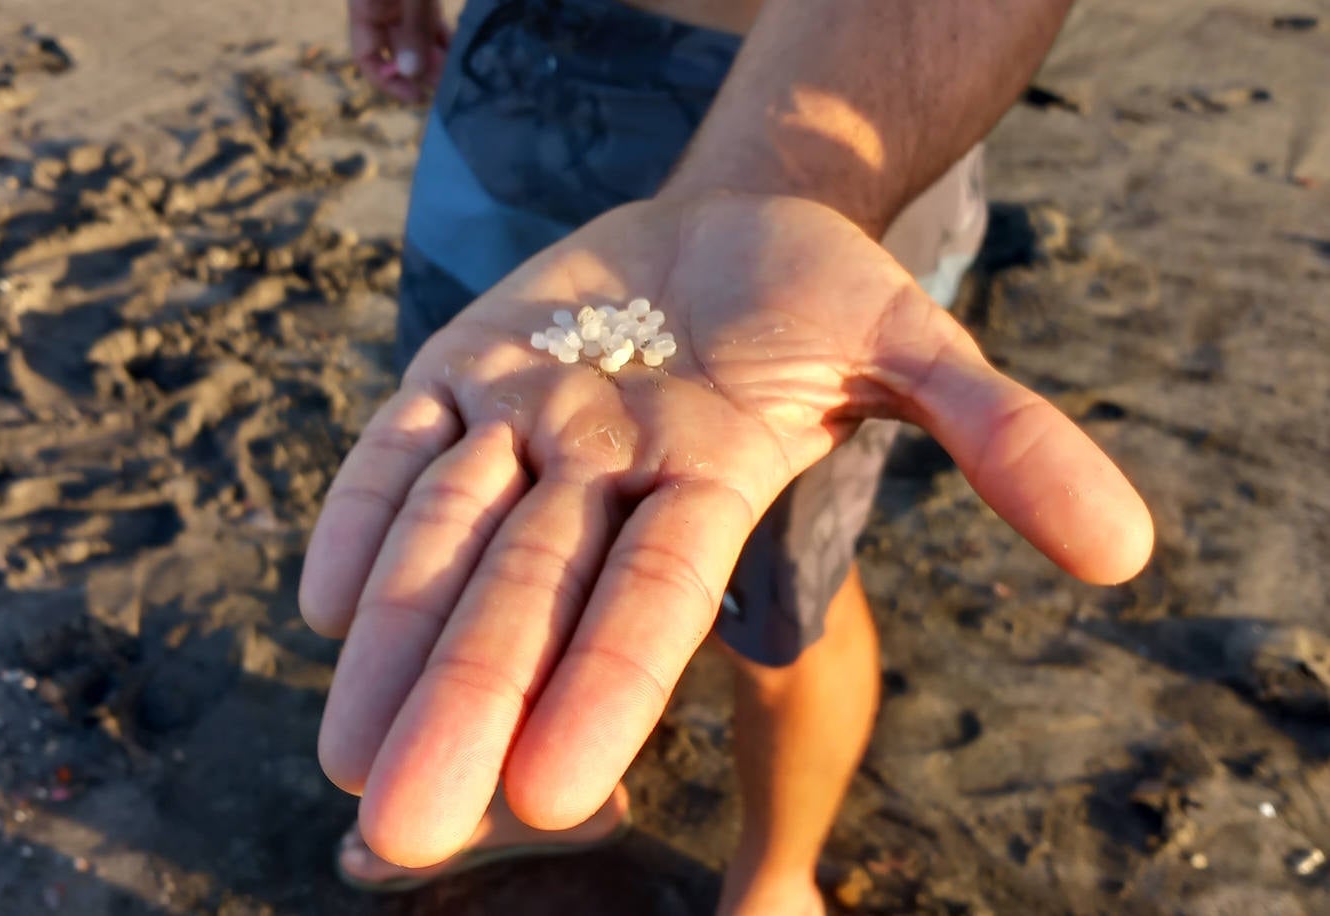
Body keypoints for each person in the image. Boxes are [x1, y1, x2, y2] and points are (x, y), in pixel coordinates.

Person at [298, 0, 1155, 913]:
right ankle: (528, 777)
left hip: (829, 94)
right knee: (514, 479)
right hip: (518, 61)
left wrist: (781, 180)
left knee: (774, 589)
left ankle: (777, 869)